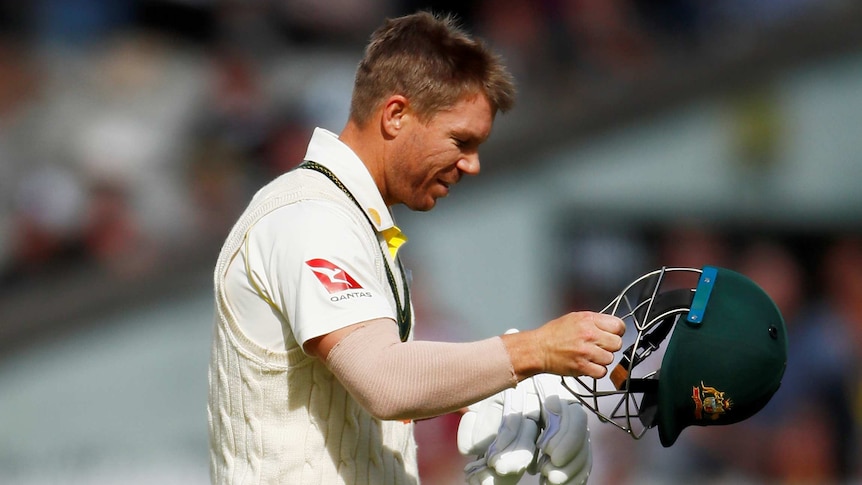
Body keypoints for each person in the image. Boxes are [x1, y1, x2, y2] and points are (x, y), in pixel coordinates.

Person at [207, 11, 625, 485]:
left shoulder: (349, 219)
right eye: (460, 140)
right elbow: (386, 381)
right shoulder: (312, 218)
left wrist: (503, 408)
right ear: (396, 115)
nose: (472, 165)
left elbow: (363, 430)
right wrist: (536, 350)